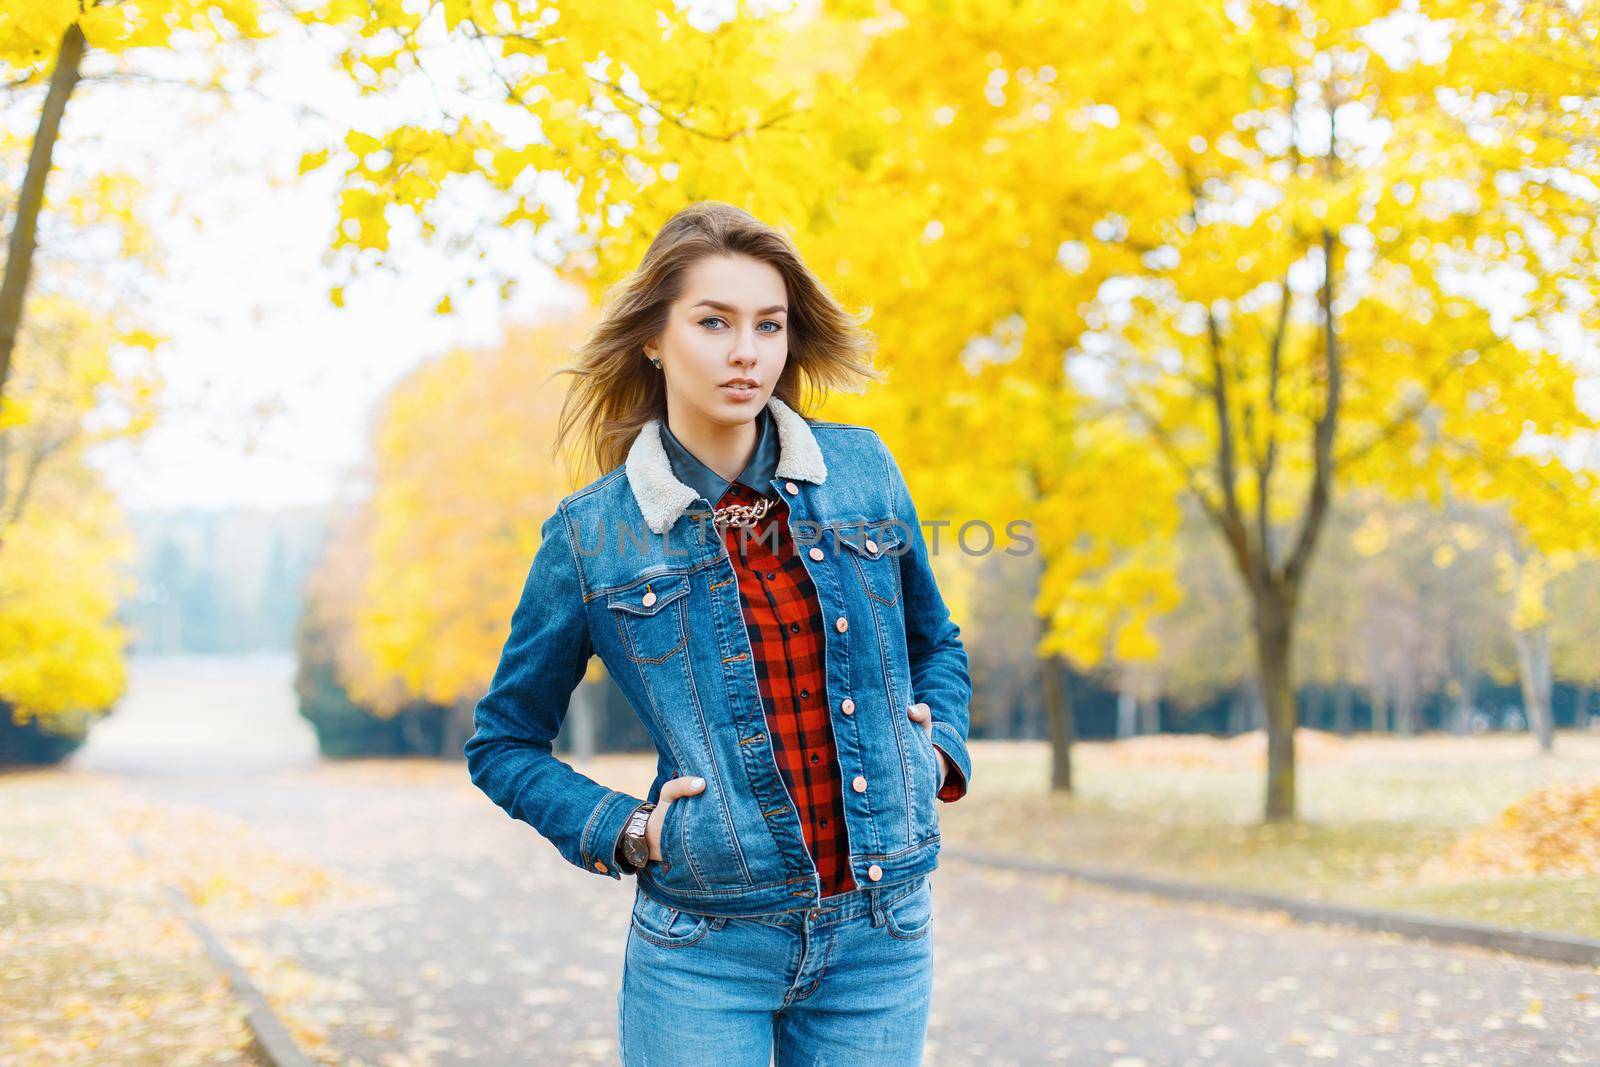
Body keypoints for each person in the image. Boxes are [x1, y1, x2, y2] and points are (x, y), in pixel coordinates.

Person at [464, 200, 973, 1065]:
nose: (747, 351)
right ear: (654, 339)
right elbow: (504, 741)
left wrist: (937, 752)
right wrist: (626, 830)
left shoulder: (863, 470)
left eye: (769, 325)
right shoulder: (595, 535)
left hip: (882, 936)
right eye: (714, 322)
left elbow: (937, 644)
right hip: (705, 949)